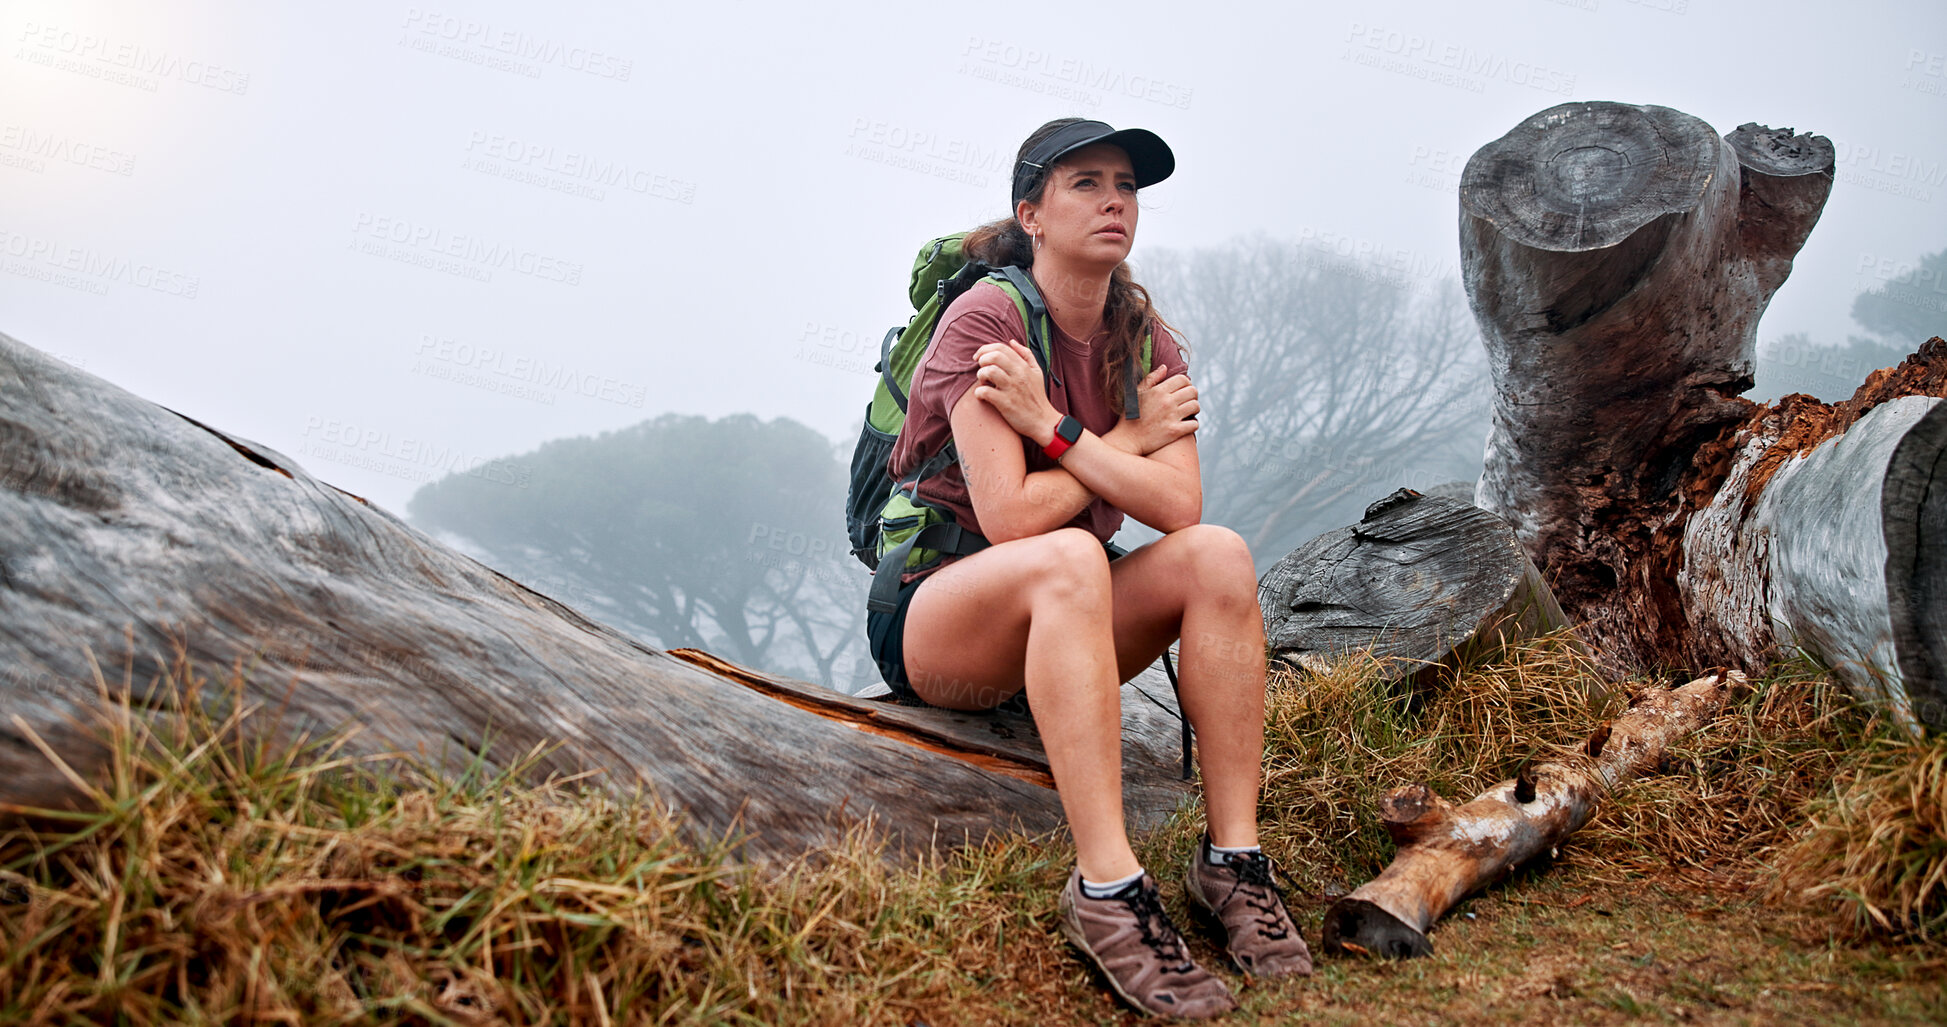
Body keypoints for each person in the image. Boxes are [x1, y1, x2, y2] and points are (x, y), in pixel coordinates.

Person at [866, 119, 1309, 1019]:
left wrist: (1060, 430)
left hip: (1069, 612)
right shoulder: (986, 320)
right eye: (1085, 184)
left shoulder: (1143, 340)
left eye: (1127, 186)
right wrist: (1128, 445)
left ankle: (1233, 862)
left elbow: (1177, 508)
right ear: (1030, 212)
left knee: (1216, 553)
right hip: (940, 617)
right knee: (1068, 552)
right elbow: (1010, 515)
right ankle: (1106, 889)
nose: (1114, 200)